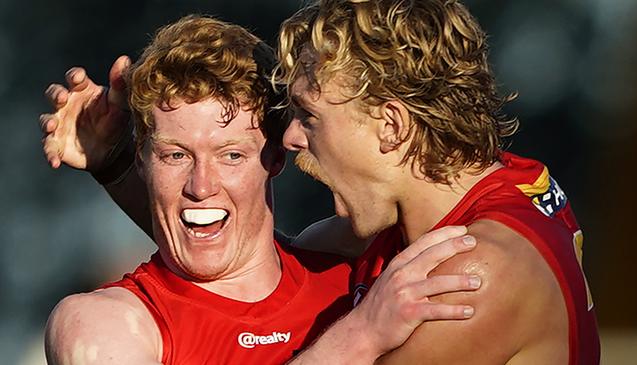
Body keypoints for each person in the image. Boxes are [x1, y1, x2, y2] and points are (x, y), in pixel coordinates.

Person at [40, 15, 481, 364]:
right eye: (176, 155)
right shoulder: (103, 324)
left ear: (275, 158)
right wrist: (360, 338)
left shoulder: (355, 266)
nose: (201, 186)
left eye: (231, 155)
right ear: (144, 160)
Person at [271, 0, 600, 364]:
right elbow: (291, 260)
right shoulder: (500, 183)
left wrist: (356, 337)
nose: (291, 137)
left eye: (309, 116)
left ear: (392, 126)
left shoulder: (472, 275)